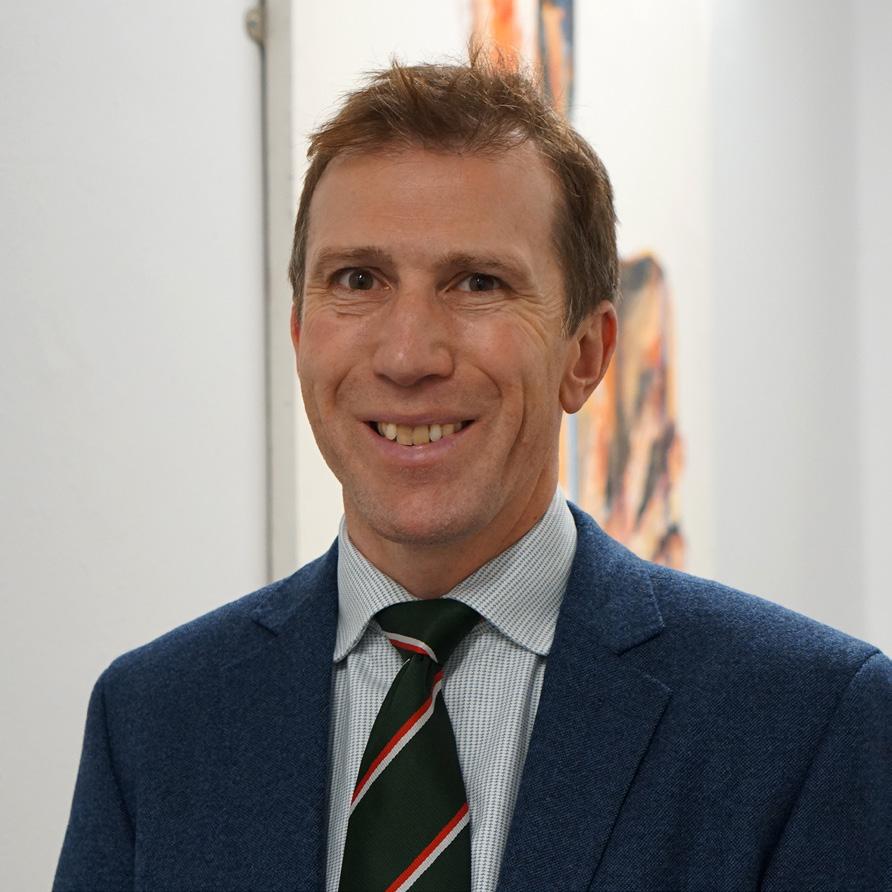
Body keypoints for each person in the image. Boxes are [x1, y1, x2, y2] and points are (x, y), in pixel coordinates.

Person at [54, 57, 890, 892]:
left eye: (478, 283)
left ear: (586, 354)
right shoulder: (154, 721)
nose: (408, 355)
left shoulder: (805, 723)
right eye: (358, 280)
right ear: (301, 333)